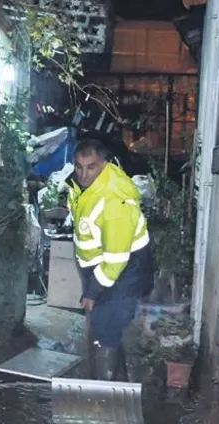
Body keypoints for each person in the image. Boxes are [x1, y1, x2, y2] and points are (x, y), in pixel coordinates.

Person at [67, 138, 153, 380]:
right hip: (103, 268)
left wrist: (92, 291)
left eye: (91, 167)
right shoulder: (86, 187)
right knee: (107, 328)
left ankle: (102, 394)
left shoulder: (115, 201)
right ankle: (117, 385)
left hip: (125, 270)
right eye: (79, 166)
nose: (83, 174)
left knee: (106, 329)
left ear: (104, 164)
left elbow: (116, 259)